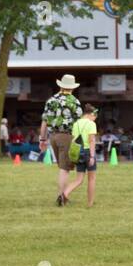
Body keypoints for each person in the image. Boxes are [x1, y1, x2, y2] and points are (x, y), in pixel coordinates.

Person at [39, 75, 82, 206]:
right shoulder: (74, 102)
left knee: (62, 167)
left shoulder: (51, 100)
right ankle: (62, 197)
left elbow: (44, 121)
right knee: (65, 168)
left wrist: (42, 139)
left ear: (60, 86)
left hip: (53, 137)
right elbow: (79, 123)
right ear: (72, 88)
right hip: (67, 136)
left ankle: (62, 196)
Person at [61, 105, 100, 207]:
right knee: (91, 179)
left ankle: (64, 194)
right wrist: (92, 156)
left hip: (78, 153)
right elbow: (91, 140)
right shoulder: (91, 124)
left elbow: (74, 140)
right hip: (88, 152)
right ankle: (90, 203)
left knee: (78, 180)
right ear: (91, 114)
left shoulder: (76, 123)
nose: (95, 117)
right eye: (95, 115)